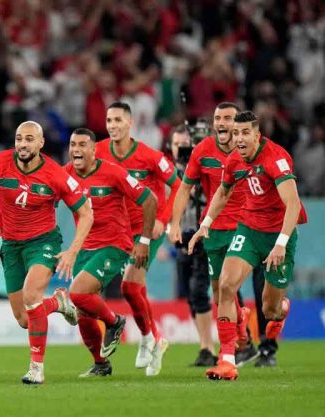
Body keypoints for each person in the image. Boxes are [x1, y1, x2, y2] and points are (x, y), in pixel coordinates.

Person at [0, 121, 94, 385]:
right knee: (24, 318)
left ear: (40, 143)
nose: (23, 144)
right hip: (10, 245)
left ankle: (37, 368)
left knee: (31, 294)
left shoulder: (55, 174)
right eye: (19, 139)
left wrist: (71, 251)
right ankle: (57, 303)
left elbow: (86, 212)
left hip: (43, 243)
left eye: (29, 139)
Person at [188, 110, 307, 380]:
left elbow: (293, 203)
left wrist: (280, 244)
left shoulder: (275, 158)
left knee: (269, 310)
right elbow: (223, 191)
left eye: (244, 133)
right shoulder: (233, 160)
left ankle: (282, 309)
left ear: (257, 134)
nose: (238, 138)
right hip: (249, 230)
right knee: (226, 286)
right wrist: (205, 223)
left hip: (279, 235)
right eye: (236, 133)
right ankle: (227, 360)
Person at [169, 103, 261, 367]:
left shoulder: (253, 150)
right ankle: (241, 338)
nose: (222, 122)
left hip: (246, 227)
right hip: (213, 230)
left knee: (229, 287)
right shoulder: (203, 150)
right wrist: (175, 222)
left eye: (228, 118)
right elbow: (185, 188)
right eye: (218, 118)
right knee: (219, 291)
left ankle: (229, 354)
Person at [95, 102, 180, 376]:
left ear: (130, 123)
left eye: (118, 119)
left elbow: (178, 185)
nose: (112, 125)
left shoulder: (149, 156)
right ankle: (155, 338)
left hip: (146, 230)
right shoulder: (97, 151)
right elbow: (69, 172)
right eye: (109, 120)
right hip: (117, 231)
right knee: (135, 288)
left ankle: (148, 339)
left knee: (130, 286)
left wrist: (163, 220)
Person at [65, 128, 158, 377]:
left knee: (77, 293)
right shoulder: (65, 174)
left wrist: (145, 241)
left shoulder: (114, 173)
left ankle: (115, 322)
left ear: (94, 150)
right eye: (73, 144)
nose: (76, 150)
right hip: (85, 247)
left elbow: (149, 200)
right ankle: (101, 364)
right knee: (84, 312)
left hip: (113, 245)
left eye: (82, 145)